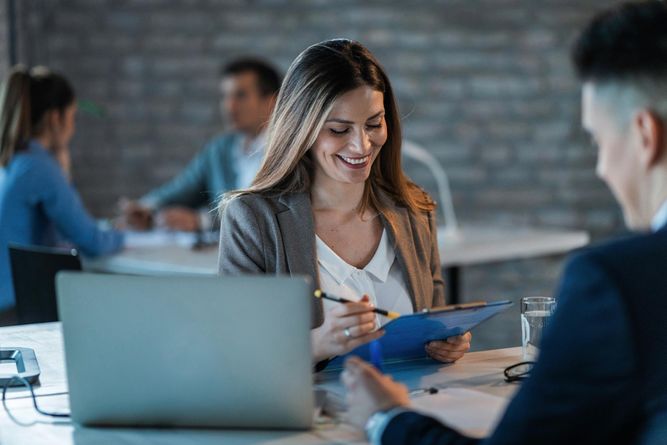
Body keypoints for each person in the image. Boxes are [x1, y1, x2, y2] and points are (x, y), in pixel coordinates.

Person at [342, 2, 667, 444]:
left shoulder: (617, 283)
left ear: (645, 135)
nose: (602, 168)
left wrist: (385, 418)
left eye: (598, 141)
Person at [218, 39, 472, 368]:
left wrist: (444, 343)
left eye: (373, 124)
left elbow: (432, 322)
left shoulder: (414, 210)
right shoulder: (253, 219)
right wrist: (316, 344)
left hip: (408, 411)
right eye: (339, 129)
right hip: (314, 414)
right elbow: (232, 352)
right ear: (302, 128)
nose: (361, 145)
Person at [0, 66, 124, 323]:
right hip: (12, 309)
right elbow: (91, 241)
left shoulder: (15, 159)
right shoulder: (40, 166)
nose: (74, 127)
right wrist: (128, 234)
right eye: (73, 117)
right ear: (55, 118)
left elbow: (57, 233)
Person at [121, 58, 281, 232]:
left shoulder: (288, 152)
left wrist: (202, 221)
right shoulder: (220, 149)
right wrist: (146, 208)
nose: (229, 106)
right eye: (225, 96)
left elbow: (270, 214)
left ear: (271, 101)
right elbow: (182, 188)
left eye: (240, 95)